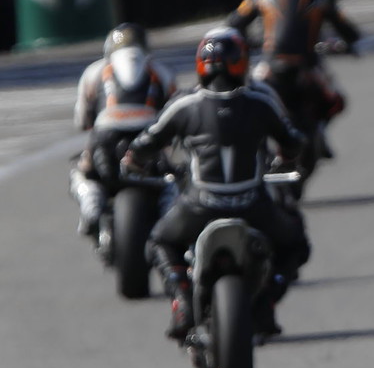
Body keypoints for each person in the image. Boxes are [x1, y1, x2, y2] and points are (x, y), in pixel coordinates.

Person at [126, 27, 311, 340]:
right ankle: (266, 303)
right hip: (253, 204)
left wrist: (134, 161)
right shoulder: (261, 101)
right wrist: (289, 159)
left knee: (159, 241)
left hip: (199, 205)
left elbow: (146, 142)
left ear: (201, 64)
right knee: (296, 244)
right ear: (242, 63)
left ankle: (182, 300)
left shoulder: (184, 104)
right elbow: (293, 141)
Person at [226, 0, 361, 155]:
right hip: (307, 67)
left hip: (269, 67)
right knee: (336, 101)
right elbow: (349, 30)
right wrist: (346, 44)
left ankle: (254, 144)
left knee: (247, 100)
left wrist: (250, 42)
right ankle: (319, 133)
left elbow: (235, 22)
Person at [68, 22, 177, 243]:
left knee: (83, 173)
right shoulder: (161, 71)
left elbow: (82, 120)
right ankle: (170, 212)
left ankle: (91, 207)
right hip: (149, 135)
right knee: (174, 177)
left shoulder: (94, 71)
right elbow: (175, 114)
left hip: (106, 135)